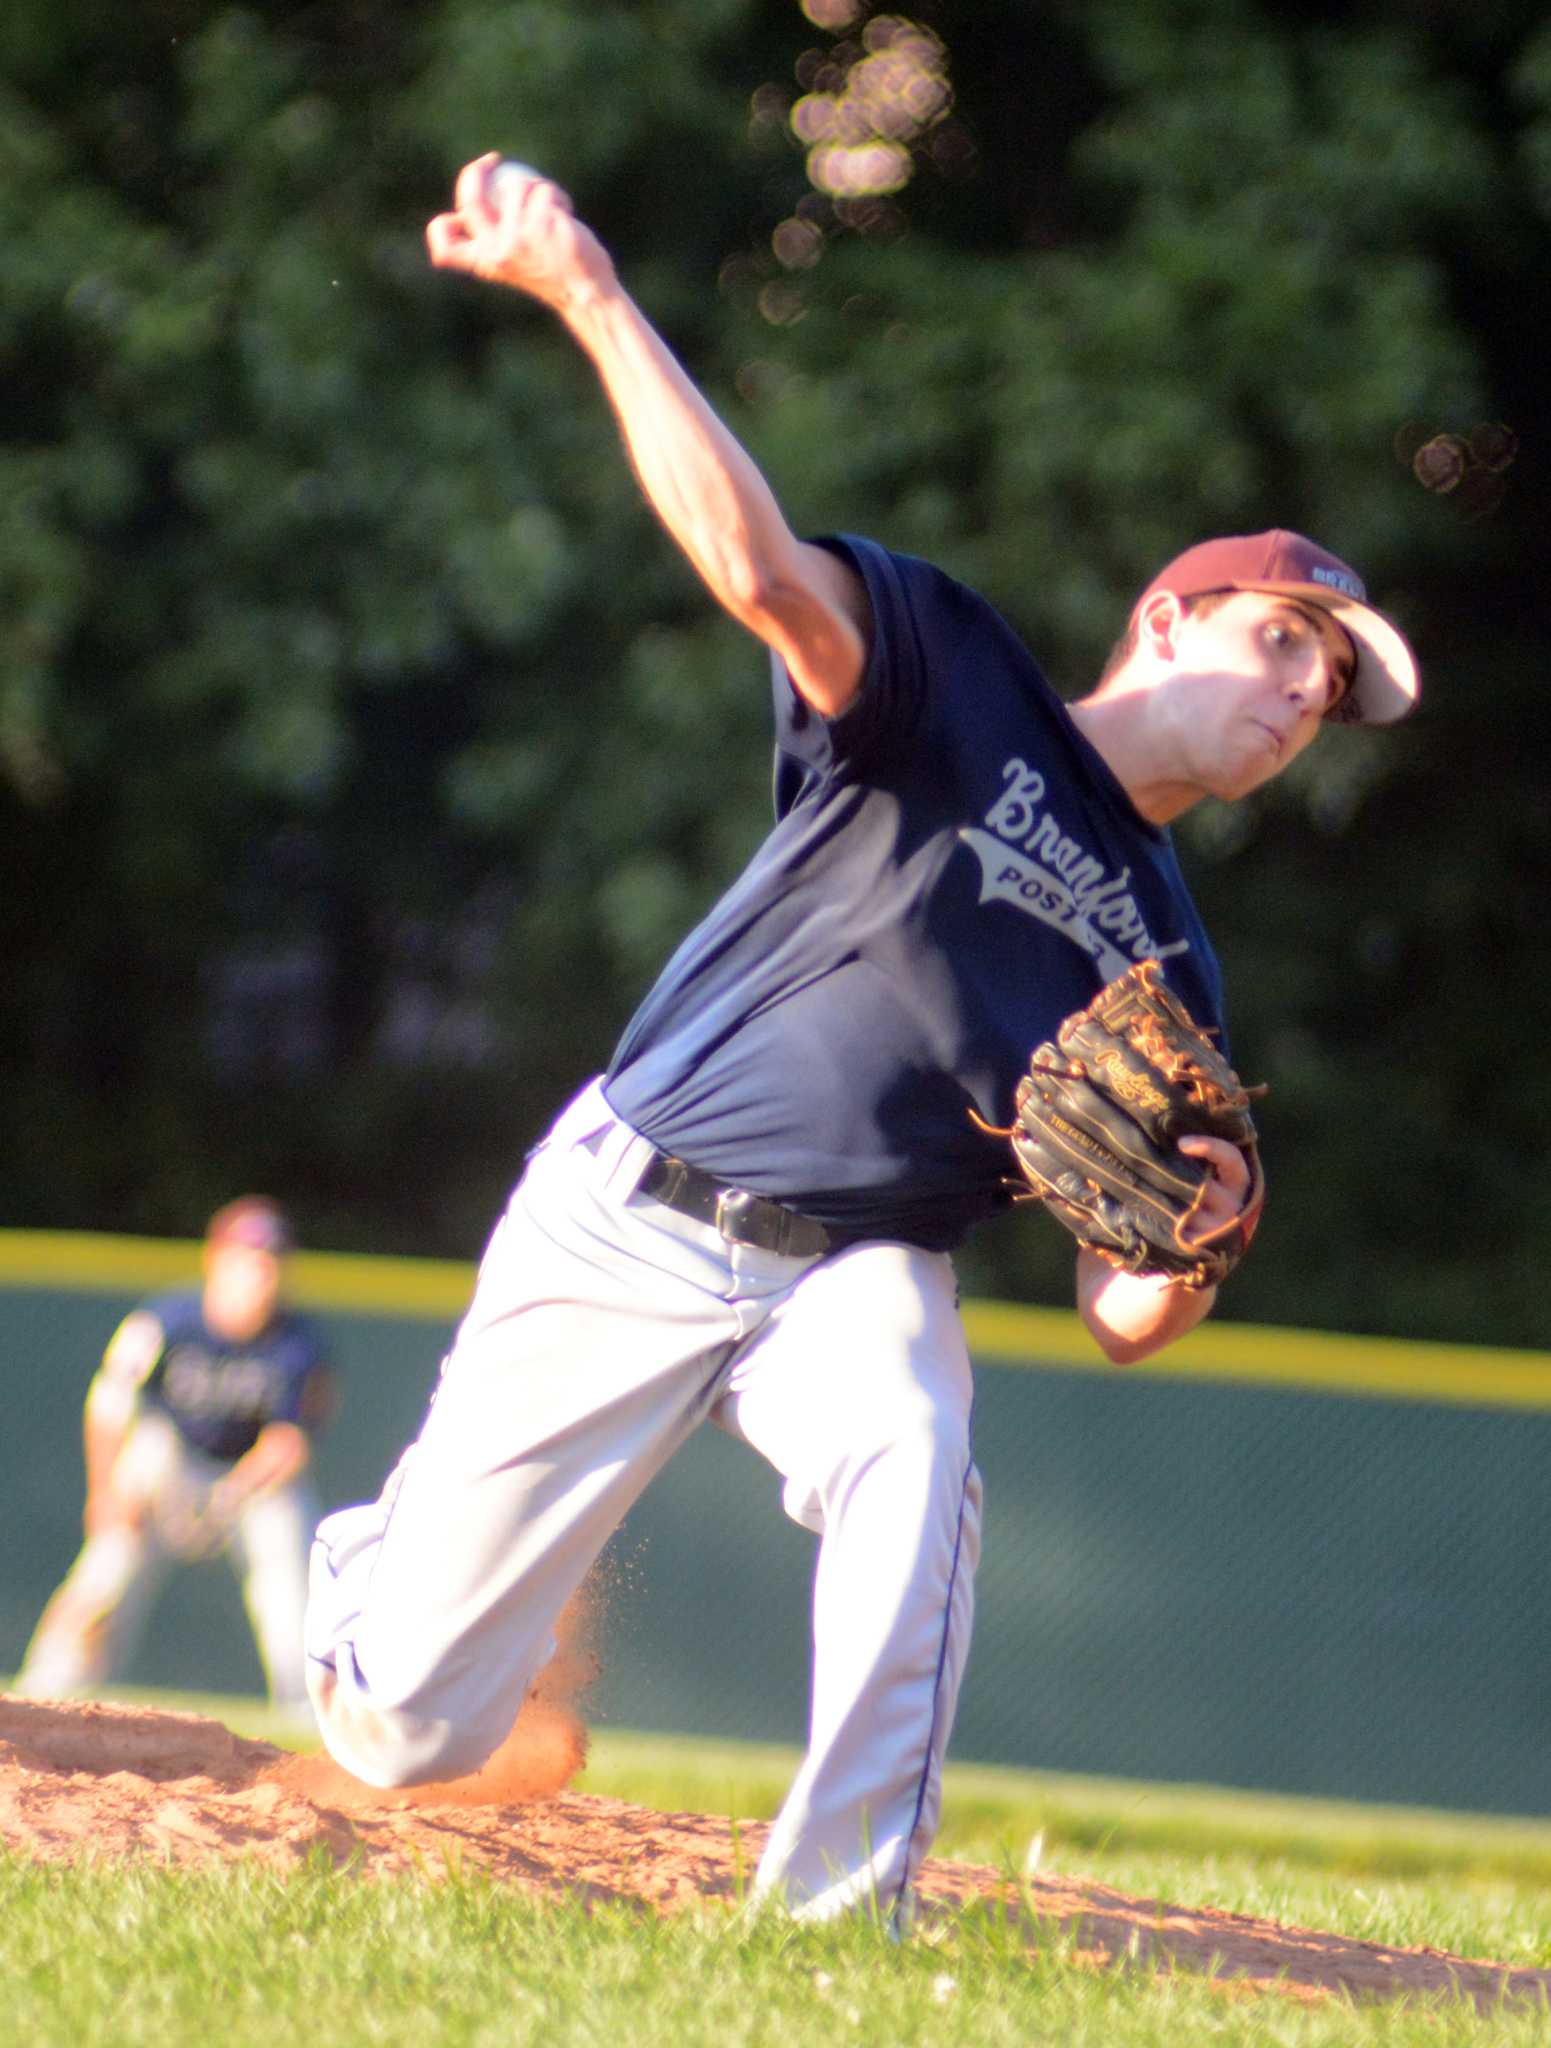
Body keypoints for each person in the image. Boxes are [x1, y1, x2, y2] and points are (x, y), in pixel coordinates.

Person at [304, 155, 1421, 1923]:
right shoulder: (949, 674)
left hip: (858, 1265)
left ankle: (837, 1919)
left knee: (916, 1440)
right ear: (1166, 616)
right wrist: (590, 289)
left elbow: (1123, 1315)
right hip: (630, 1202)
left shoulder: (1169, 967)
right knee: (410, 1731)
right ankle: (366, 1574)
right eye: (1283, 638)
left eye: (1331, 686)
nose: (1302, 690)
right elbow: (752, 566)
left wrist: (1201, 1243)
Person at [16, 1197, 336, 1718]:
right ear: (216, 1260)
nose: (261, 1273)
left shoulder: (302, 1343)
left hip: (247, 1477)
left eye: (271, 1262)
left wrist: (232, 1493)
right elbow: (109, 1407)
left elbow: (289, 1445)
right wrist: (106, 1492)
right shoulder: (167, 1321)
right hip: (167, 1463)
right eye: (249, 1259)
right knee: (109, 1566)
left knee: (289, 1567)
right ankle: (46, 1688)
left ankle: (309, 1707)